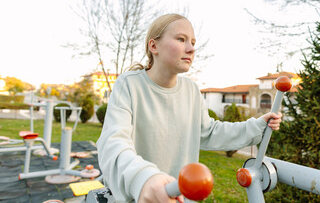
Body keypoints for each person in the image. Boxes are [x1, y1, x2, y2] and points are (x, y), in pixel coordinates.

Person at [96, 14, 282, 203]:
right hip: (138, 196)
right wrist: (143, 179)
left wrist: (257, 126)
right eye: (181, 39)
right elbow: (114, 143)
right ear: (154, 46)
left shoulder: (192, 90)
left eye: (193, 42)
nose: (191, 48)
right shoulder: (128, 84)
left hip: (181, 198)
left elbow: (210, 132)